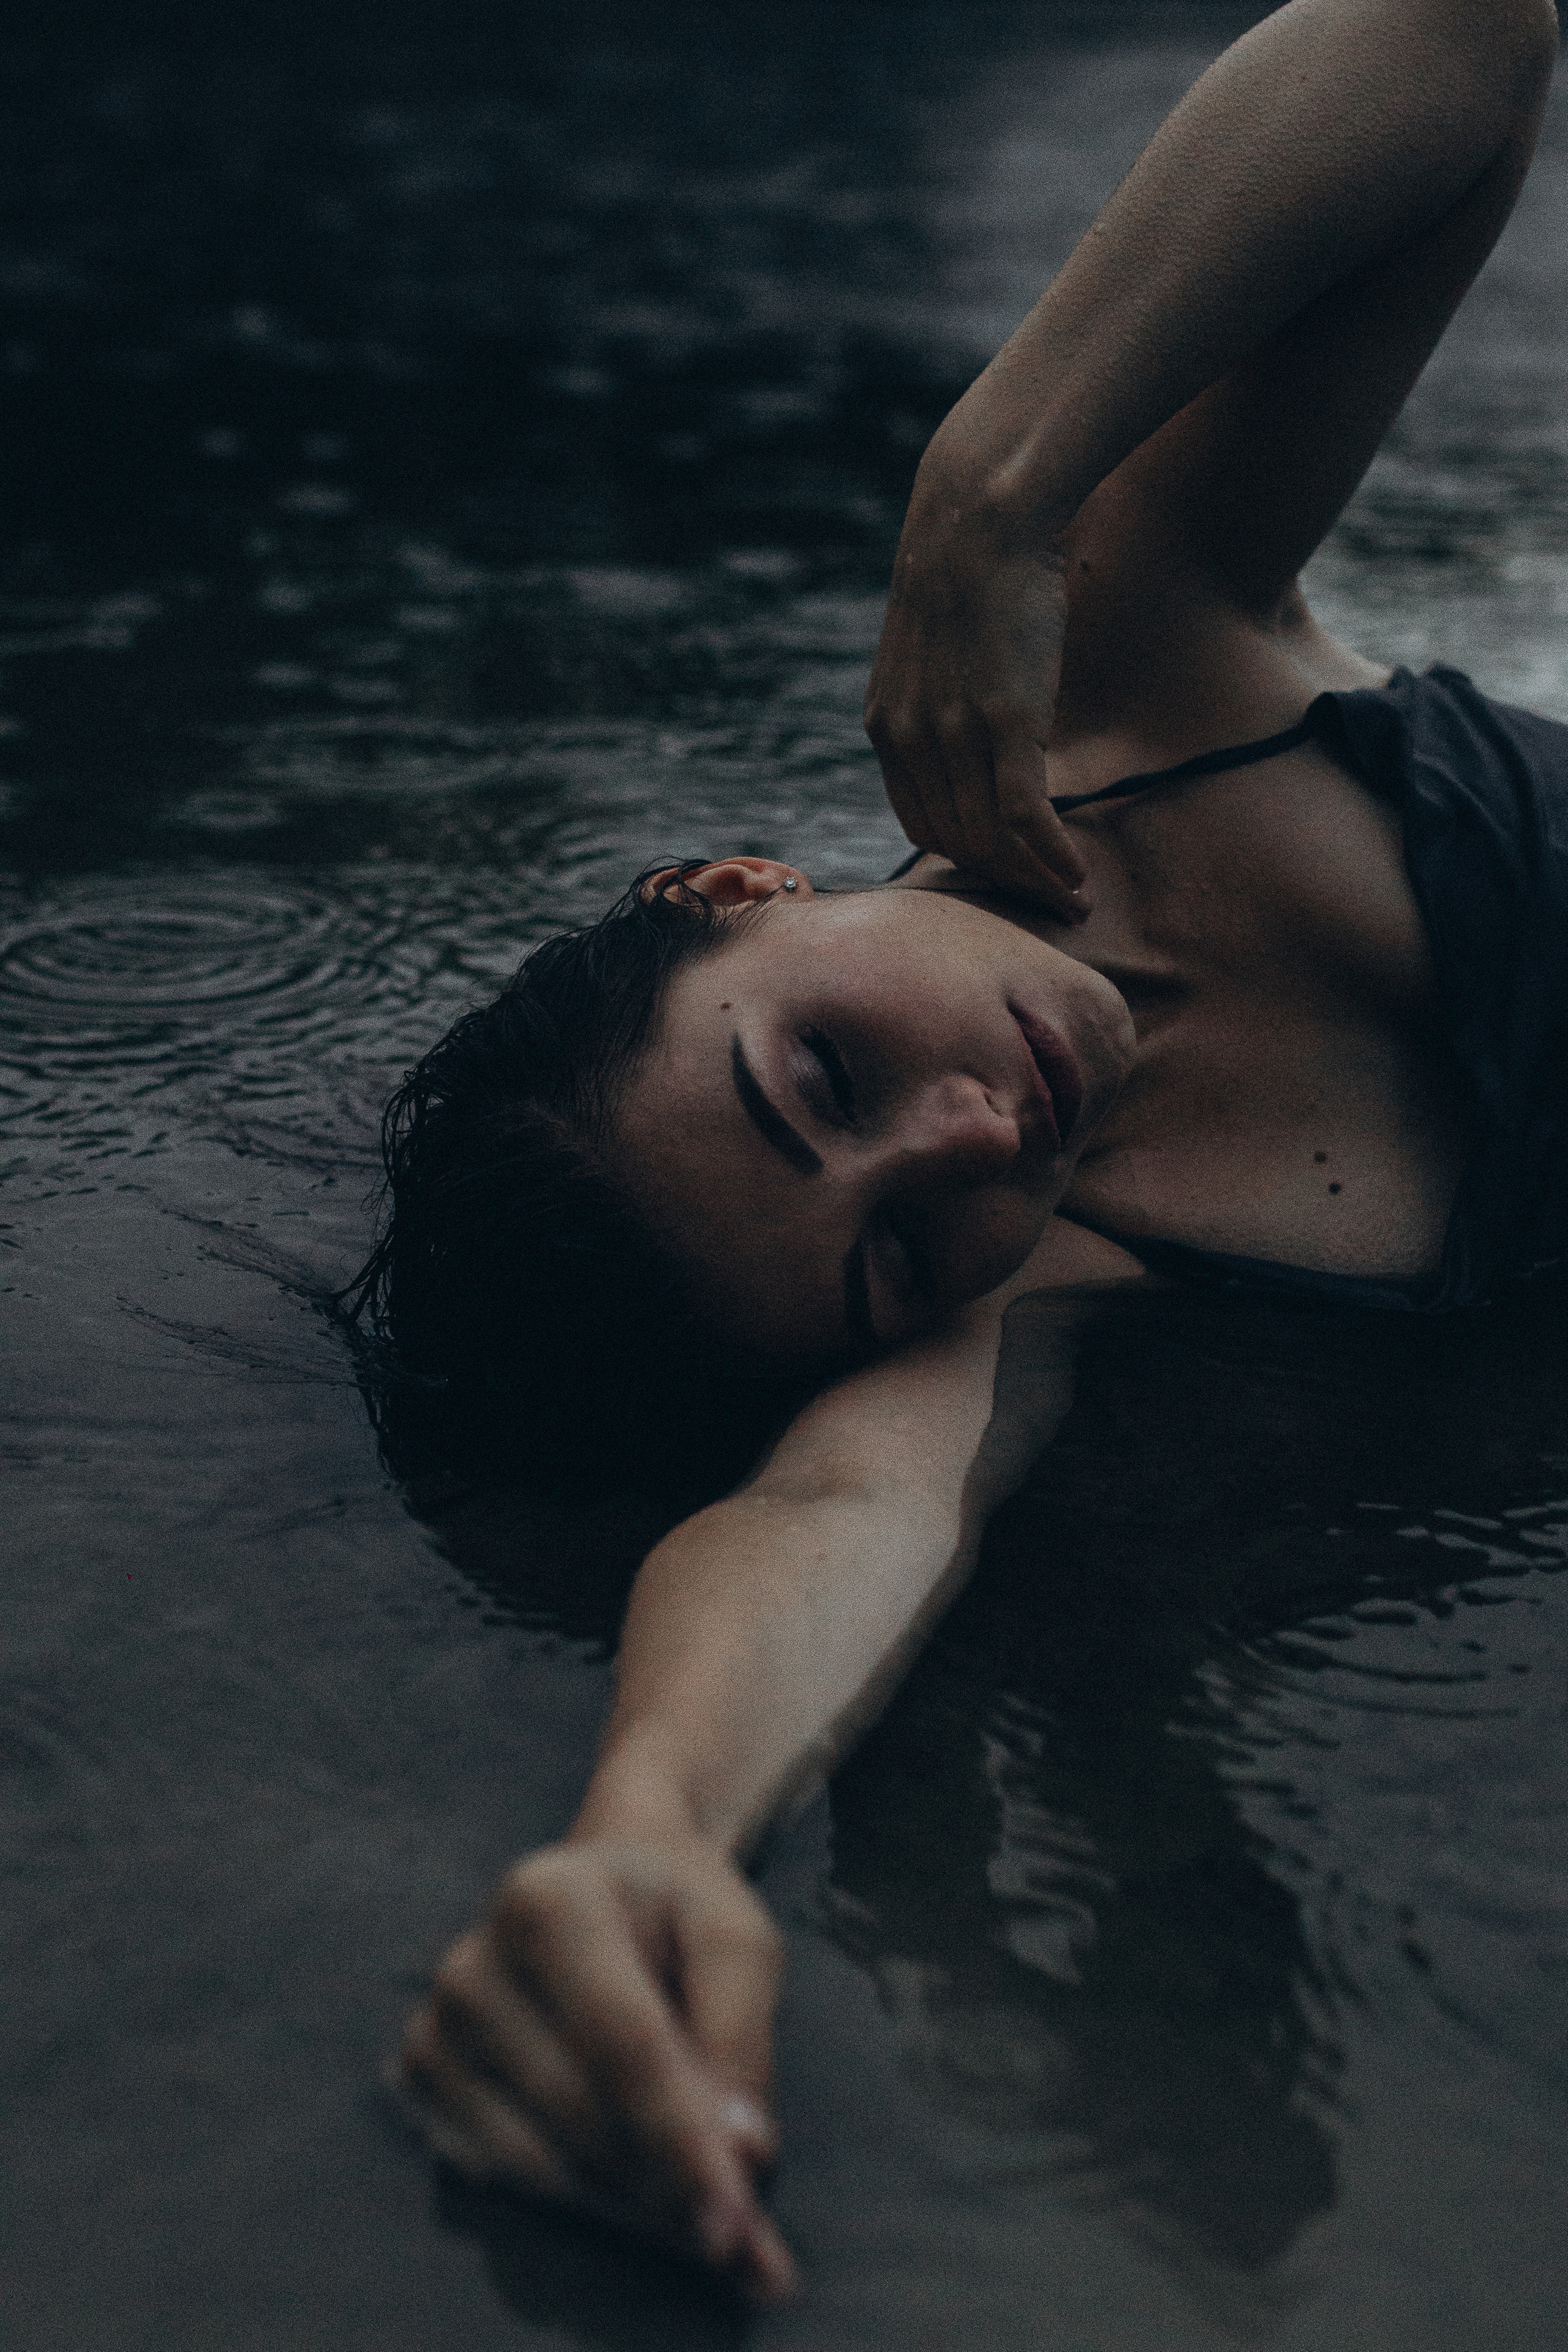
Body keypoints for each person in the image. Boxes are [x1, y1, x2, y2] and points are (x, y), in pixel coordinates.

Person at [378, 0, 1566, 2306]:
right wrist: (646, 1847)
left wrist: (997, 482)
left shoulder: (1131, 679)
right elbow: (827, 1517)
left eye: (814, 1076)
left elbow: (1471, 37)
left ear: (727, 888)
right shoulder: (1054, 1284)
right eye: (899, 1259)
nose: (971, 1145)